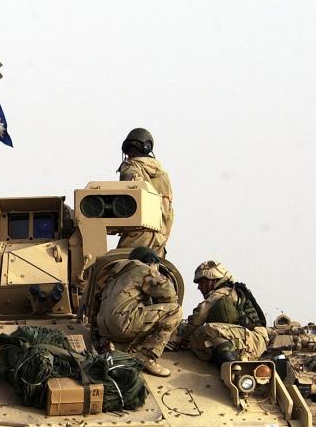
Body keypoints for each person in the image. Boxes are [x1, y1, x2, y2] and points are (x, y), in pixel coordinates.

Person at [95, 246, 183, 377]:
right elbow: (169, 293)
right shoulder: (141, 268)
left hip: (106, 330)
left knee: (140, 311)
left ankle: (122, 349)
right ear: (151, 262)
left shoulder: (114, 277)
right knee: (175, 311)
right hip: (124, 323)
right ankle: (147, 357)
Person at [172, 261, 268, 366]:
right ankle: (225, 357)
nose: (199, 287)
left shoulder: (222, 293)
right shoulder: (228, 292)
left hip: (254, 338)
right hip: (246, 338)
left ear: (212, 280)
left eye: (201, 282)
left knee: (208, 329)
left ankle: (232, 366)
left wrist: (181, 339)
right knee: (200, 335)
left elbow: (198, 317)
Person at [116, 128, 173, 257]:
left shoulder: (131, 165)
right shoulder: (162, 173)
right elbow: (169, 213)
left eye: (132, 150)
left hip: (137, 236)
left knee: (115, 269)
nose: (130, 153)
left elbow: (131, 191)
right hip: (159, 237)